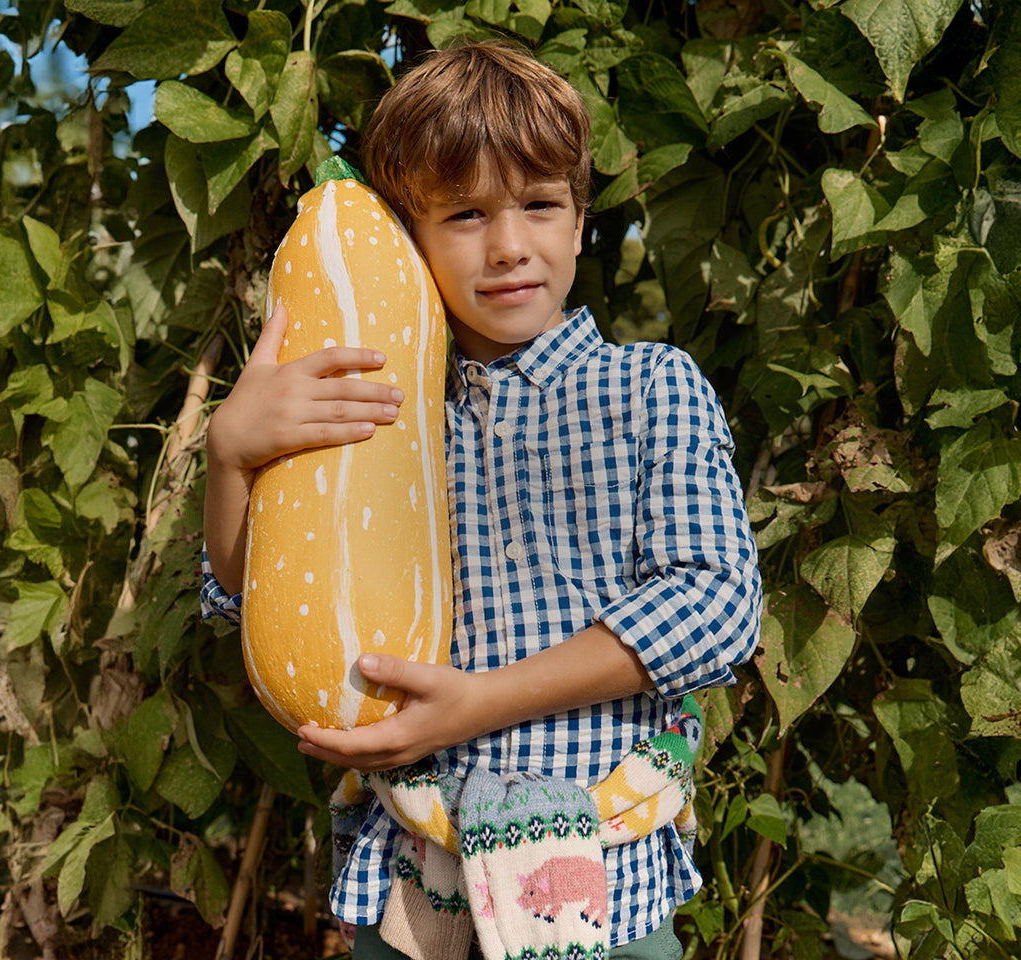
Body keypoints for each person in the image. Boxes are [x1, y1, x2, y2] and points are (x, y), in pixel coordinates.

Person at [201, 39, 762, 960]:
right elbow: (243, 591)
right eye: (464, 215)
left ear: (581, 221)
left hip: (600, 888)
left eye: (539, 205)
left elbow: (716, 605)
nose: (509, 247)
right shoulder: (377, 404)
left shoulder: (650, 386)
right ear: (411, 241)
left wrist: (481, 702)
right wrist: (232, 455)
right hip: (419, 885)